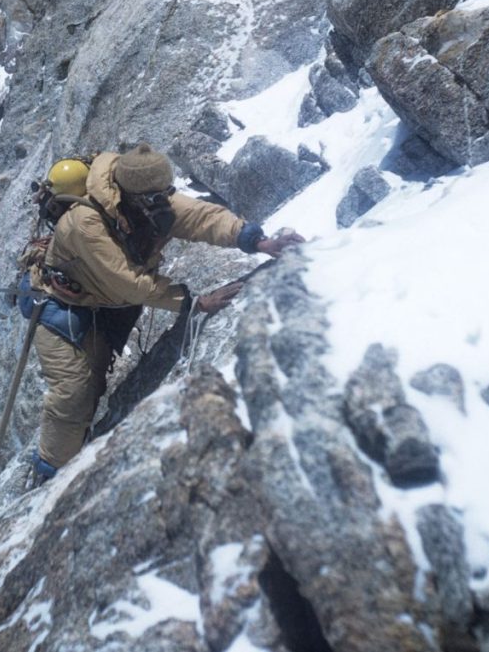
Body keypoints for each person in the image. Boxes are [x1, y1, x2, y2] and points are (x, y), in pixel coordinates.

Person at [19, 143, 304, 481]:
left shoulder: (148, 198)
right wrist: (194, 301)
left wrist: (257, 241)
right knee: (74, 391)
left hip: (100, 300)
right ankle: (49, 474)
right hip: (61, 305)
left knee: (92, 386)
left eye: (165, 193)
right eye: (156, 197)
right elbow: (130, 283)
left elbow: (202, 217)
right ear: (130, 194)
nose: (165, 201)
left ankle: (71, 455)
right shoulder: (85, 223)